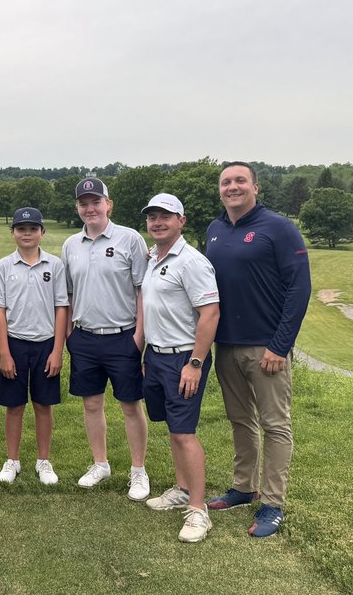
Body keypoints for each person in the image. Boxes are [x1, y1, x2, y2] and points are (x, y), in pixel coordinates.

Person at [205, 161, 311, 538]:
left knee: (275, 425)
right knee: (240, 419)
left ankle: (272, 503)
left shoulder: (279, 228)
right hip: (227, 345)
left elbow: (300, 289)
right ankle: (242, 487)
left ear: (255, 187)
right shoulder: (215, 230)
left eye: (239, 181)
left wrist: (280, 346)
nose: (232, 187)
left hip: (267, 349)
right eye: (226, 182)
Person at [61, 177, 150, 501]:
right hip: (85, 337)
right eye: (84, 203)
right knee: (92, 404)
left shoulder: (130, 239)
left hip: (123, 336)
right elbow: (69, 293)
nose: (90, 208)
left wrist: (139, 337)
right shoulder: (71, 245)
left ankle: (138, 470)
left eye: (95, 202)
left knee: (130, 405)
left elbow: (142, 290)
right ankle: (100, 463)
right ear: (78, 208)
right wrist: (71, 333)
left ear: (108, 204)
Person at [139, 194, 220, 543]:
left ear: (181, 221)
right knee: (173, 427)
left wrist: (195, 363)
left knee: (185, 432)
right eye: (152, 217)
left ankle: (198, 511)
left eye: (165, 217)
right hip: (156, 357)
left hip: (184, 358)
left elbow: (210, 313)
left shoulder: (192, 262)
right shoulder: (154, 257)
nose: (158, 222)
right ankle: (183, 489)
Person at [0, 207, 68, 485]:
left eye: (32, 229)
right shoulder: (2, 267)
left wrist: (57, 351)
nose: (27, 234)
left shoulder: (54, 265)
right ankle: (12, 460)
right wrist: (5, 353)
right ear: (12, 232)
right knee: (14, 406)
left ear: (42, 233)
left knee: (43, 404)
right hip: (14, 343)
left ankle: (43, 460)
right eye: (21, 229)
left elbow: (62, 308)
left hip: (46, 343)